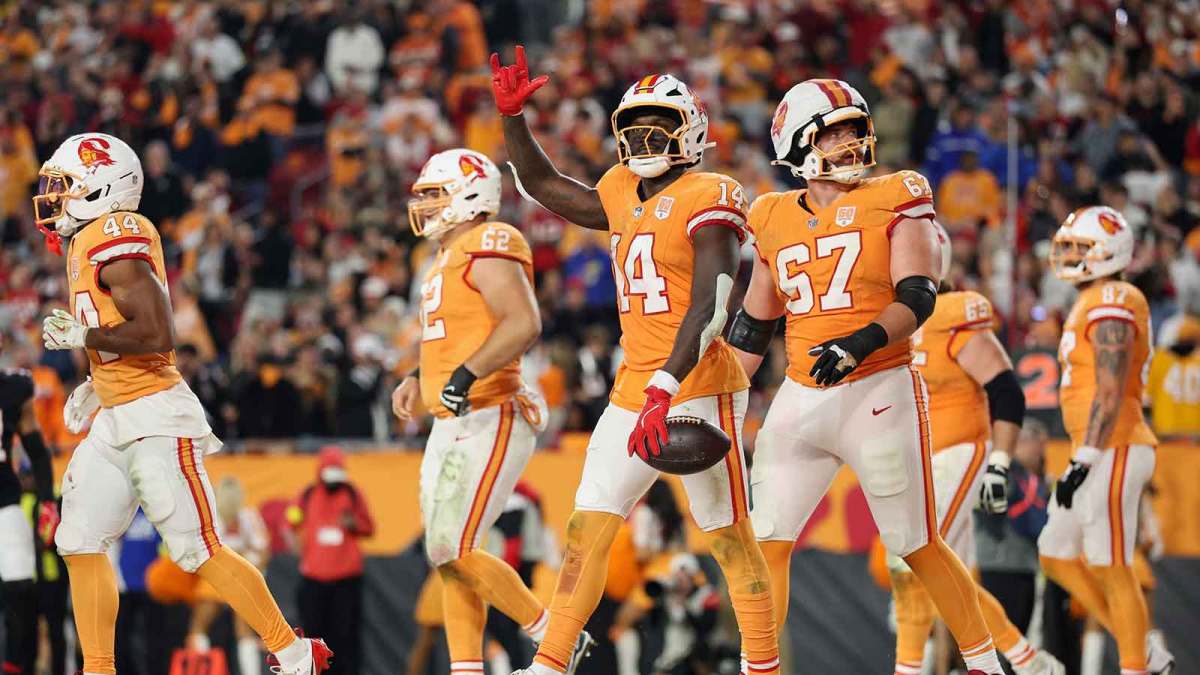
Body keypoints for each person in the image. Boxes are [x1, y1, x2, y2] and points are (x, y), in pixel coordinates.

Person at [493, 47, 780, 675]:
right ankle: (550, 663)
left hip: (698, 384)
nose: (645, 138)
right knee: (585, 529)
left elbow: (712, 305)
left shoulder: (711, 192)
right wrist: (513, 118)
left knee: (729, 537)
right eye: (635, 127)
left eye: (660, 125)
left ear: (691, 131)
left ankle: (763, 665)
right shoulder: (621, 189)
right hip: (634, 387)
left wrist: (664, 387)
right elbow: (543, 185)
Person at [729, 79, 1005, 674]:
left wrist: (861, 342)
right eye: (836, 133)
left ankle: (985, 664)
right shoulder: (771, 213)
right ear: (797, 143)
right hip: (801, 394)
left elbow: (918, 294)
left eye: (856, 129)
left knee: (916, 543)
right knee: (766, 540)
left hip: (878, 388)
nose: (853, 141)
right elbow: (754, 323)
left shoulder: (897, 194)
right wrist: (715, 397)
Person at [34, 133, 331, 675]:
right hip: (117, 415)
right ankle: (98, 669)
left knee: (197, 548)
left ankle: (294, 653)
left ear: (101, 188)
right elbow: (122, 332)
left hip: (155, 415)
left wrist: (85, 338)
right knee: (78, 538)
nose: (53, 197)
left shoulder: (113, 235)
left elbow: (156, 332)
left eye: (66, 185)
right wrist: (97, 382)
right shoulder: (87, 241)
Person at [391, 148, 583, 675]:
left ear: (470, 193)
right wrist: (419, 377)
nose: (426, 205)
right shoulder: (443, 257)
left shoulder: (489, 239)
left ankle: (556, 637)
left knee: (454, 547)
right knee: (447, 554)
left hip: (491, 407)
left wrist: (465, 375)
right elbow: (457, 336)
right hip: (452, 417)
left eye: (436, 193)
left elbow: (522, 321)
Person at [887, 224, 1063, 674]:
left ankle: (909, 668)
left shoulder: (951, 312)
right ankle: (1027, 660)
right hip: (918, 457)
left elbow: (1006, 391)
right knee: (952, 577)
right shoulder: (889, 318)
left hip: (958, 448)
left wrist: (1000, 463)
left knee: (915, 559)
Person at [1037, 205, 1175, 674]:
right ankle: (1142, 647)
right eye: (1069, 246)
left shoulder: (1114, 295)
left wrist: (1086, 457)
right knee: (1055, 551)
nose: (1070, 255)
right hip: (1097, 446)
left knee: (1111, 563)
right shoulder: (1093, 298)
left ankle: (1136, 665)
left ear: (1110, 252)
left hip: (1114, 444)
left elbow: (1110, 386)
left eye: (1082, 247)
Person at [289, 446, 373, 675]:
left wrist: (353, 524)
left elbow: (369, 527)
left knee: (345, 637)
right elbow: (292, 518)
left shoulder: (353, 494)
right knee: (313, 635)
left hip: (346, 581)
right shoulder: (308, 494)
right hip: (313, 580)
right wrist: (295, 531)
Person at [0, 367, 57, 674]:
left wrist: (47, 500)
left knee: (21, 588)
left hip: (5, 501)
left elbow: (37, 451)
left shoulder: (13, 388)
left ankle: (14, 667)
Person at [188, 476, 272, 675]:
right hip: (221, 577)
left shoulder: (247, 517)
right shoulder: (213, 517)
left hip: (231, 576)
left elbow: (262, 553)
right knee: (208, 626)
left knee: (226, 628)